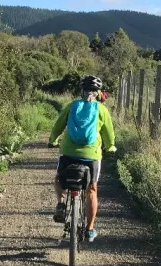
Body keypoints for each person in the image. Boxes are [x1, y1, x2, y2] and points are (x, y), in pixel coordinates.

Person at [48, 75, 116, 242]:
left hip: (68, 153)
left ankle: (61, 203)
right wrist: (110, 146)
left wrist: (53, 140)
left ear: (82, 91)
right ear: (98, 92)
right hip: (91, 156)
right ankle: (89, 229)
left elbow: (58, 125)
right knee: (92, 189)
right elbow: (108, 133)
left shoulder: (72, 106)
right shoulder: (102, 110)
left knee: (58, 178)